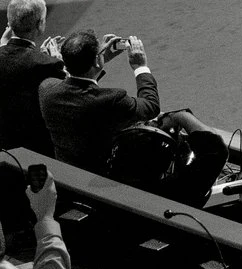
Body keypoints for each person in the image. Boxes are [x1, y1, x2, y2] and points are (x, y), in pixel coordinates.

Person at [38, 30, 159, 173]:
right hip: (104, 173)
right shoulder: (111, 99)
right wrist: (140, 67)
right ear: (95, 60)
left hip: (67, 172)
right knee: (178, 118)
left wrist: (99, 61)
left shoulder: (46, 89)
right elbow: (151, 106)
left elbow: (75, 88)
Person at [0, 0, 64, 156]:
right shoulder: (48, 64)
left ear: (9, 23)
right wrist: (56, 62)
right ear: (40, 24)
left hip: (0, 149)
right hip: (38, 151)